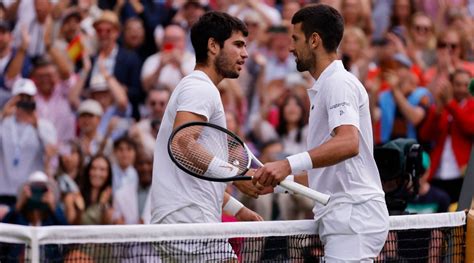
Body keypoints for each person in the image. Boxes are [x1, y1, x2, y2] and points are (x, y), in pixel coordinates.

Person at [253, 5, 390, 262]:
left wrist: (286, 163)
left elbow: (349, 143)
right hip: (346, 216)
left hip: (353, 216)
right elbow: (323, 175)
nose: (291, 47)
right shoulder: (328, 85)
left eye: (295, 38)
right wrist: (275, 183)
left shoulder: (338, 83)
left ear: (314, 40)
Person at [150, 11, 263, 261]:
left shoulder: (197, 87)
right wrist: (236, 176)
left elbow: (197, 178)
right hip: (189, 222)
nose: (245, 53)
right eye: (238, 44)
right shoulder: (200, 87)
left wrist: (240, 210)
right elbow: (181, 143)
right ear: (213, 45)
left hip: (182, 220)